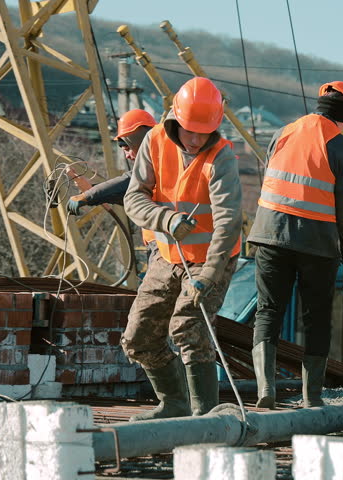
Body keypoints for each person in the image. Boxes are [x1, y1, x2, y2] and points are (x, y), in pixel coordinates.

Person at [122, 77, 243, 421]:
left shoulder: (222, 158)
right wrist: (166, 219)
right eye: (189, 130)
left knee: (188, 325)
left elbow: (229, 222)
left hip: (212, 259)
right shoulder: (154, 141)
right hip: (167, 255)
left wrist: (210, 274)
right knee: (139, 335)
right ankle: (175, 403)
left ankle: (203, 415)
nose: (195, 139)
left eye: (203, 132)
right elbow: (134, 197)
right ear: (175, 120)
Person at [247, 81, 343, 409]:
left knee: (268, 311)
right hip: (317, 243)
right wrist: (340, 236)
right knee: (316, 316)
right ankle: (312, 397)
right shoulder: (342, 147)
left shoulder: (282, 132)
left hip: (270, 235)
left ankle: (264, 390)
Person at [66, 109, 157, 215]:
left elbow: (130, 181)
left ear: (140, 142)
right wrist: (92, 189)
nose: (127, 156)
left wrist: (88, 195)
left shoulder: (157, 165)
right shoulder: (152, 168)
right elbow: (126, 192)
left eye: (128, 148)